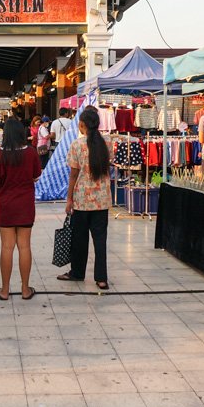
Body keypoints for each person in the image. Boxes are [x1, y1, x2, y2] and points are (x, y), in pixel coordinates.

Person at [57, 107, 112, 289]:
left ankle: (77, 273)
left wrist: (69, 199)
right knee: (100, 240)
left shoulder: (77, 145)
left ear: (82, 125)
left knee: (79, 240)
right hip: (102, 200)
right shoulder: (107, 142)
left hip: (82, 200)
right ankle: (101, 278)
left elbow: (73, 175)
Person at [0, 118, 42, 301]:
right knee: (25, 246)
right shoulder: (31, 153)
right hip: (26, 204)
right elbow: (37, 174)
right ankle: (25, 289)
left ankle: (4, 290)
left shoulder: (0, 155)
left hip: (6, 205)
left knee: (7, 247)